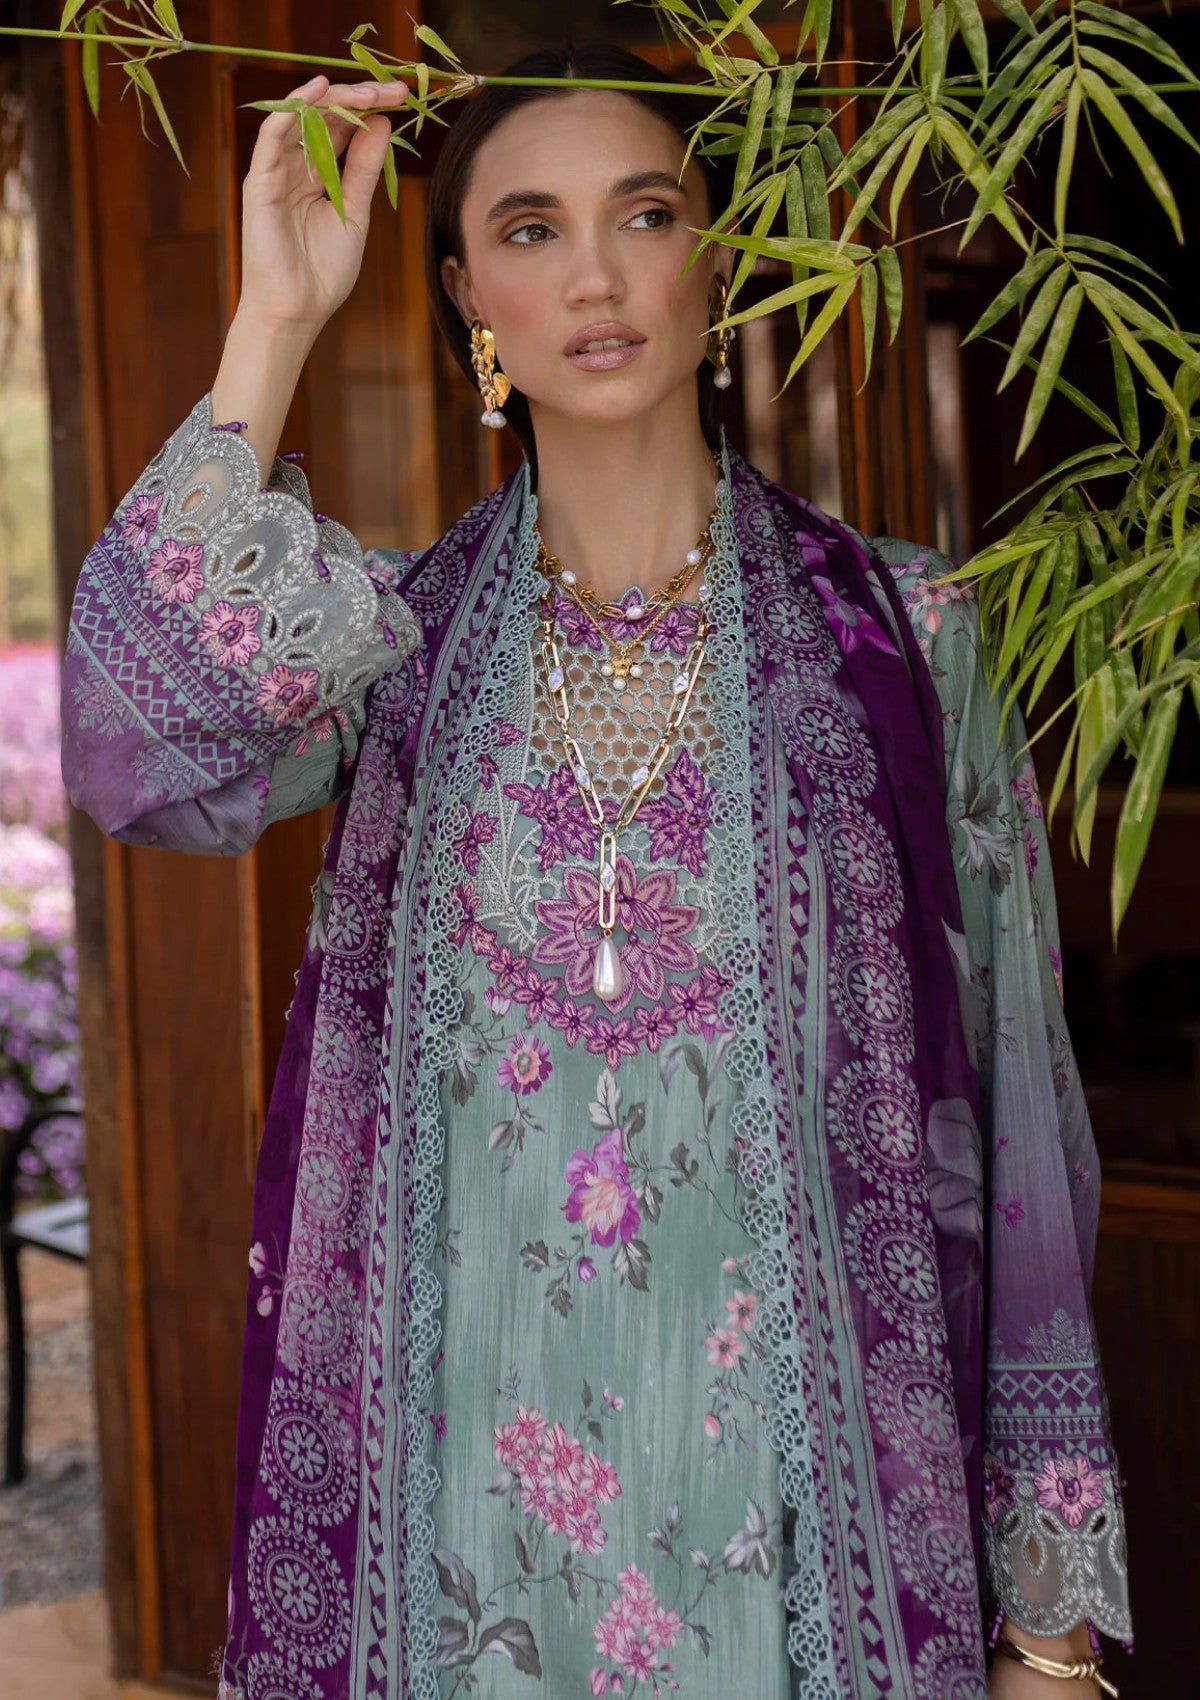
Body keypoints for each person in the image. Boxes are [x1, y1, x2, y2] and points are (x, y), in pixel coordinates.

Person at [61, 42, 1131, 1700]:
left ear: (720, 255)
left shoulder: (905, 639)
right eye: (531, 229)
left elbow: (1021, 1131)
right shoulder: (388, 652)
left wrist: (1050, 1644)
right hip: (460, 1579)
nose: (597, 277)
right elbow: (136, 761)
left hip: (813, 1572)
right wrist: (275, 319)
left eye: (645, 214)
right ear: (465, 294)